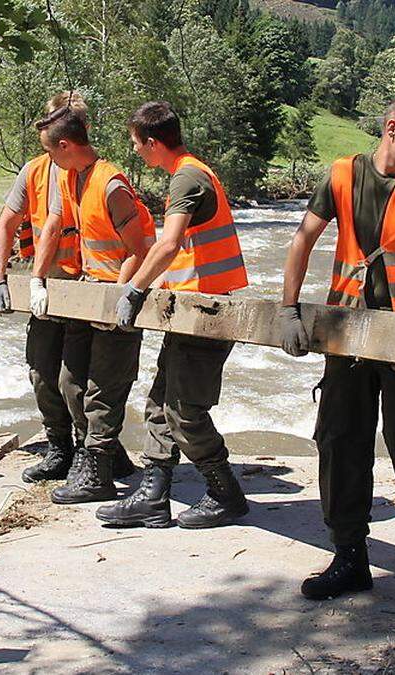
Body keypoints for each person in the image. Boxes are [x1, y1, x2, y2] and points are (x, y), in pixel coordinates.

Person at [280, 92, 395, 606]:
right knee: (339, 440)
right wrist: (288, 308)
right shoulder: (343, 175)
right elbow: (303, 238)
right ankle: (349, 556)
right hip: (345, 330)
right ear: (390, 128)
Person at [96, 101, 250, 529]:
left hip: (208, 313)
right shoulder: (188, 173)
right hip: (191, 311)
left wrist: (134, 289)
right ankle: (153, 496)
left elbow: (168, 245)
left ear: (151, 142)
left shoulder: (188, 176)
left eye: (136, 145)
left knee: (186, 411)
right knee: (161, 404)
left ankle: (226, 494)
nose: (136, 152)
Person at [32, 106, 155, 504]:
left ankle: (97, 474)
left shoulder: (111, 183)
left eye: (51, 152)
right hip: (87, 297)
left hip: (116, 300)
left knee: (102, 389)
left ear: (66, 146)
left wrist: (118, 302)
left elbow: (140, 250)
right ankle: (109, 458)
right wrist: (38, 278)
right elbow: (54, 225)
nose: (49, 160)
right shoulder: (70, 177)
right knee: (69, 383)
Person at [0, 92, 88, 483]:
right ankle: (59, 447)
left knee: (77, 379)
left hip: (86, 287)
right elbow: (7, 224)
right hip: (46, 286)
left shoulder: (90, 171)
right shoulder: (34, 171)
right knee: (42, 372)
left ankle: (90, 451)